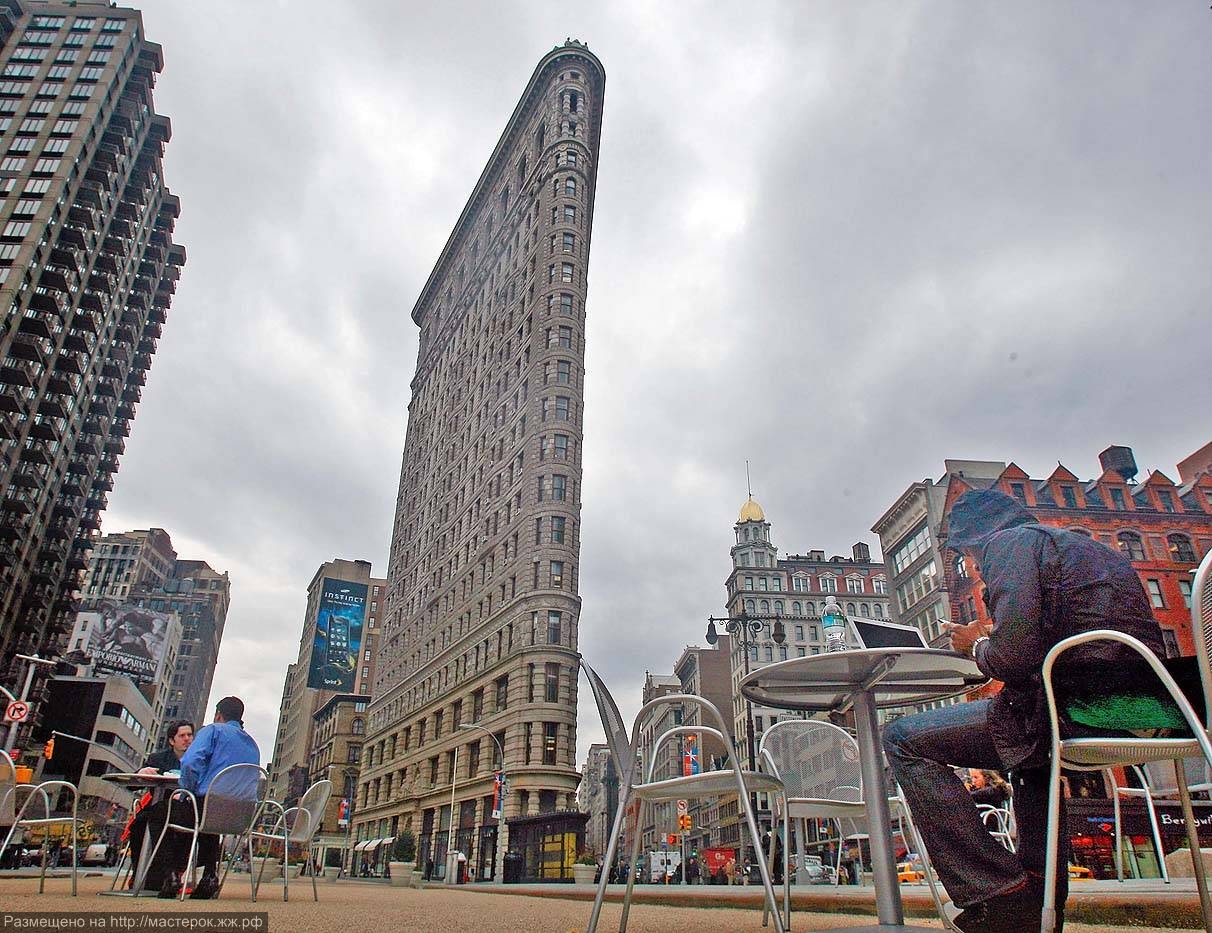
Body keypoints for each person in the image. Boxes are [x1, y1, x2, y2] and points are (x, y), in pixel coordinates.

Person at [882, 489, 1165, 933]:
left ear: (978, 538)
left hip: (1076, 708)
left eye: (967, 555)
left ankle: (997, 891)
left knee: (902, 738)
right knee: (1028, 756)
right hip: (1148, 709)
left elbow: (1012, 659)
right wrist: (998, 636)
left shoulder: (1008, 545)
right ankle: (1036, 905)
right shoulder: (1083, 546)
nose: (973, 567)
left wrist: (976, 645)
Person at [159, 697, 260, 900]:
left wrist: (186, 790)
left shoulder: (213, 730)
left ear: (218, 714)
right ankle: (209, 876)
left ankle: (171, 874)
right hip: (241, 815)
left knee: (162, 814)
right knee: (207, 823)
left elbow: (189, 762)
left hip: (207, 807)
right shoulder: (253, 744)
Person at [125, 720, 194, 890]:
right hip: (158, 806)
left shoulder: (197, 760)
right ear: (172, 740)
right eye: (182, 735)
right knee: (139, 823)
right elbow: (132, 785)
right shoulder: (158, 759)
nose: (187, 739)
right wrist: (141, 773)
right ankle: (139, 871)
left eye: (190, 735)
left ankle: (175, 872)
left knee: (189, 829)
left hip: (184, 809)